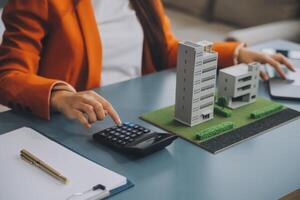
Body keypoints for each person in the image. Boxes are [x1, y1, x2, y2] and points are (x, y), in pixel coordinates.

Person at [0, 0, 294, 128]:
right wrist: (60, 96)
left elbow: (164, 50)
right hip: (79, 123)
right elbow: (8, 76)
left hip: (140, 116)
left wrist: (235, 53)